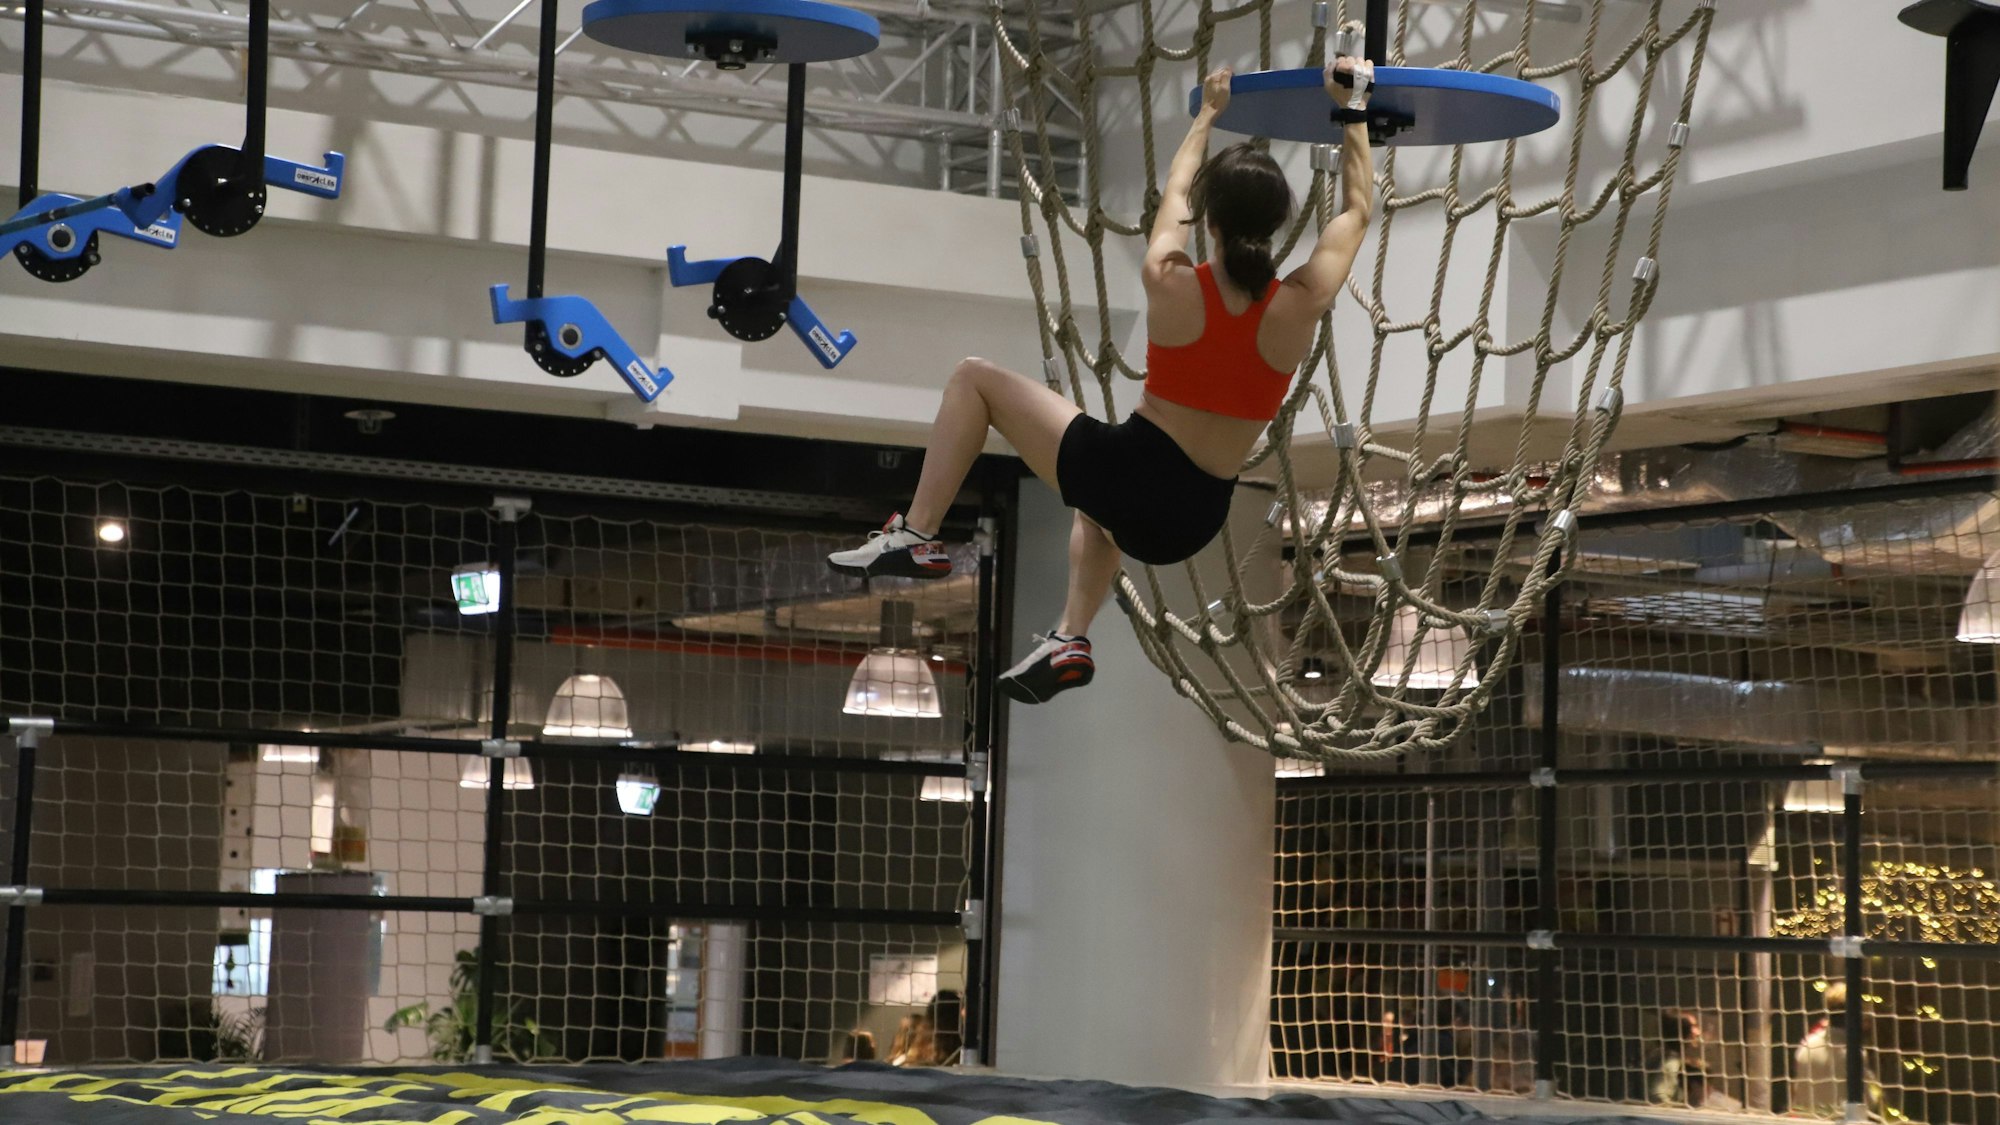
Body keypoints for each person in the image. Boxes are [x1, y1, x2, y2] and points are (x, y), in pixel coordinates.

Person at [827, 34, 1378, 705]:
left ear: (1211, 220)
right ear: (1276, 225)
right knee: (1096, 513)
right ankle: (1069, 636)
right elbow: (1357, 210)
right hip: (1196, 517)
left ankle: (916, 534)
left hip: (1132, 474)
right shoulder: (1300, 303)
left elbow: (1175, 189)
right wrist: (1355, 109)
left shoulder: (1170, 281)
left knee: (975, 378)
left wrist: (1207, 115)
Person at [1645, 1010, 1710, 1107]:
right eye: (1694, 1026)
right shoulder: (1670, 1062)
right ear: (1681, 1031)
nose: (1698, 1032)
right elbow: (1658, 1099)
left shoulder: (1665, 1056)